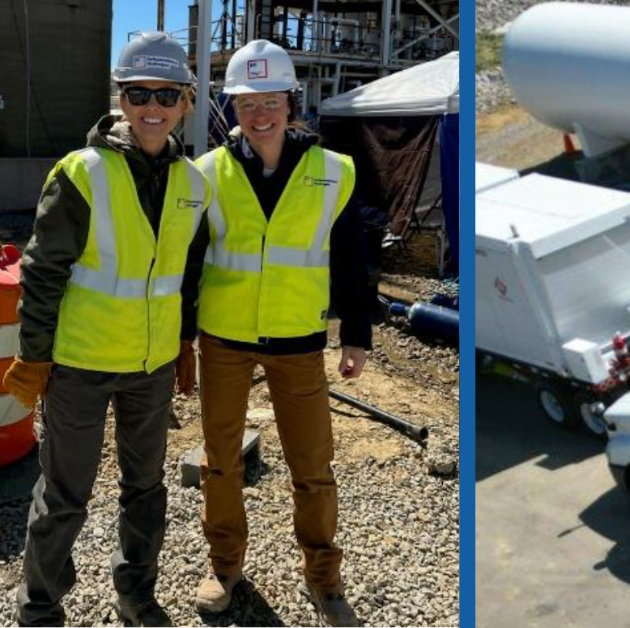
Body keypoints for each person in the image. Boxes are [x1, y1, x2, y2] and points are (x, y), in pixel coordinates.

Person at [6, 32, 208, 626]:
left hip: (149, 370)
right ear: (120, 96)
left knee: (145, 492)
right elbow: (42, 274)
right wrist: (36, 357)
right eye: (138, 92)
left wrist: (182, 343)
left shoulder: (194, 185)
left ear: (186, 101)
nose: (152, 105)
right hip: (80, 367)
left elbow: (185, 275)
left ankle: (137, 595)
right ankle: (40, 609)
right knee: (65, 498)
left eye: (166, 94)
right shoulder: (81, 173)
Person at [187, 40, 372, 627]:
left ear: (292, 103)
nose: (260, 115)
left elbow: (351, 256)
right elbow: (191, 261)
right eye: (247, 104)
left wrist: (357, 334)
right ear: (231, 109)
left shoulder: (332, 171)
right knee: (221, 461)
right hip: (224, 338)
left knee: (313, 467)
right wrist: (182, 339)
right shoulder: (208, 174)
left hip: (297, 341)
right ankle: (224, 567)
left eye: (271, 101)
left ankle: (325, 580)